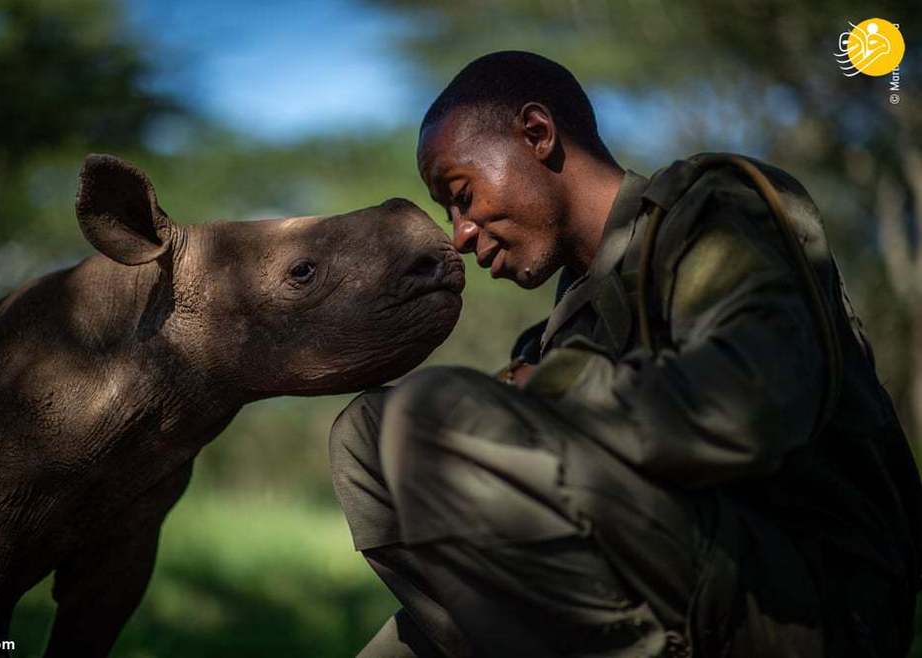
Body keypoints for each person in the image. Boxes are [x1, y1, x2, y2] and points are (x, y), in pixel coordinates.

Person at [328, 51, 922, 657]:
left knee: (426, 414)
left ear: (536, 133)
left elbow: (754, 407)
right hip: (658, 589)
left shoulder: (713, 209)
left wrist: (552, 391)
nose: (459, 234)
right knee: (363, 434)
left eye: (462, 195)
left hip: (796, 603)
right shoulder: (554, 332)